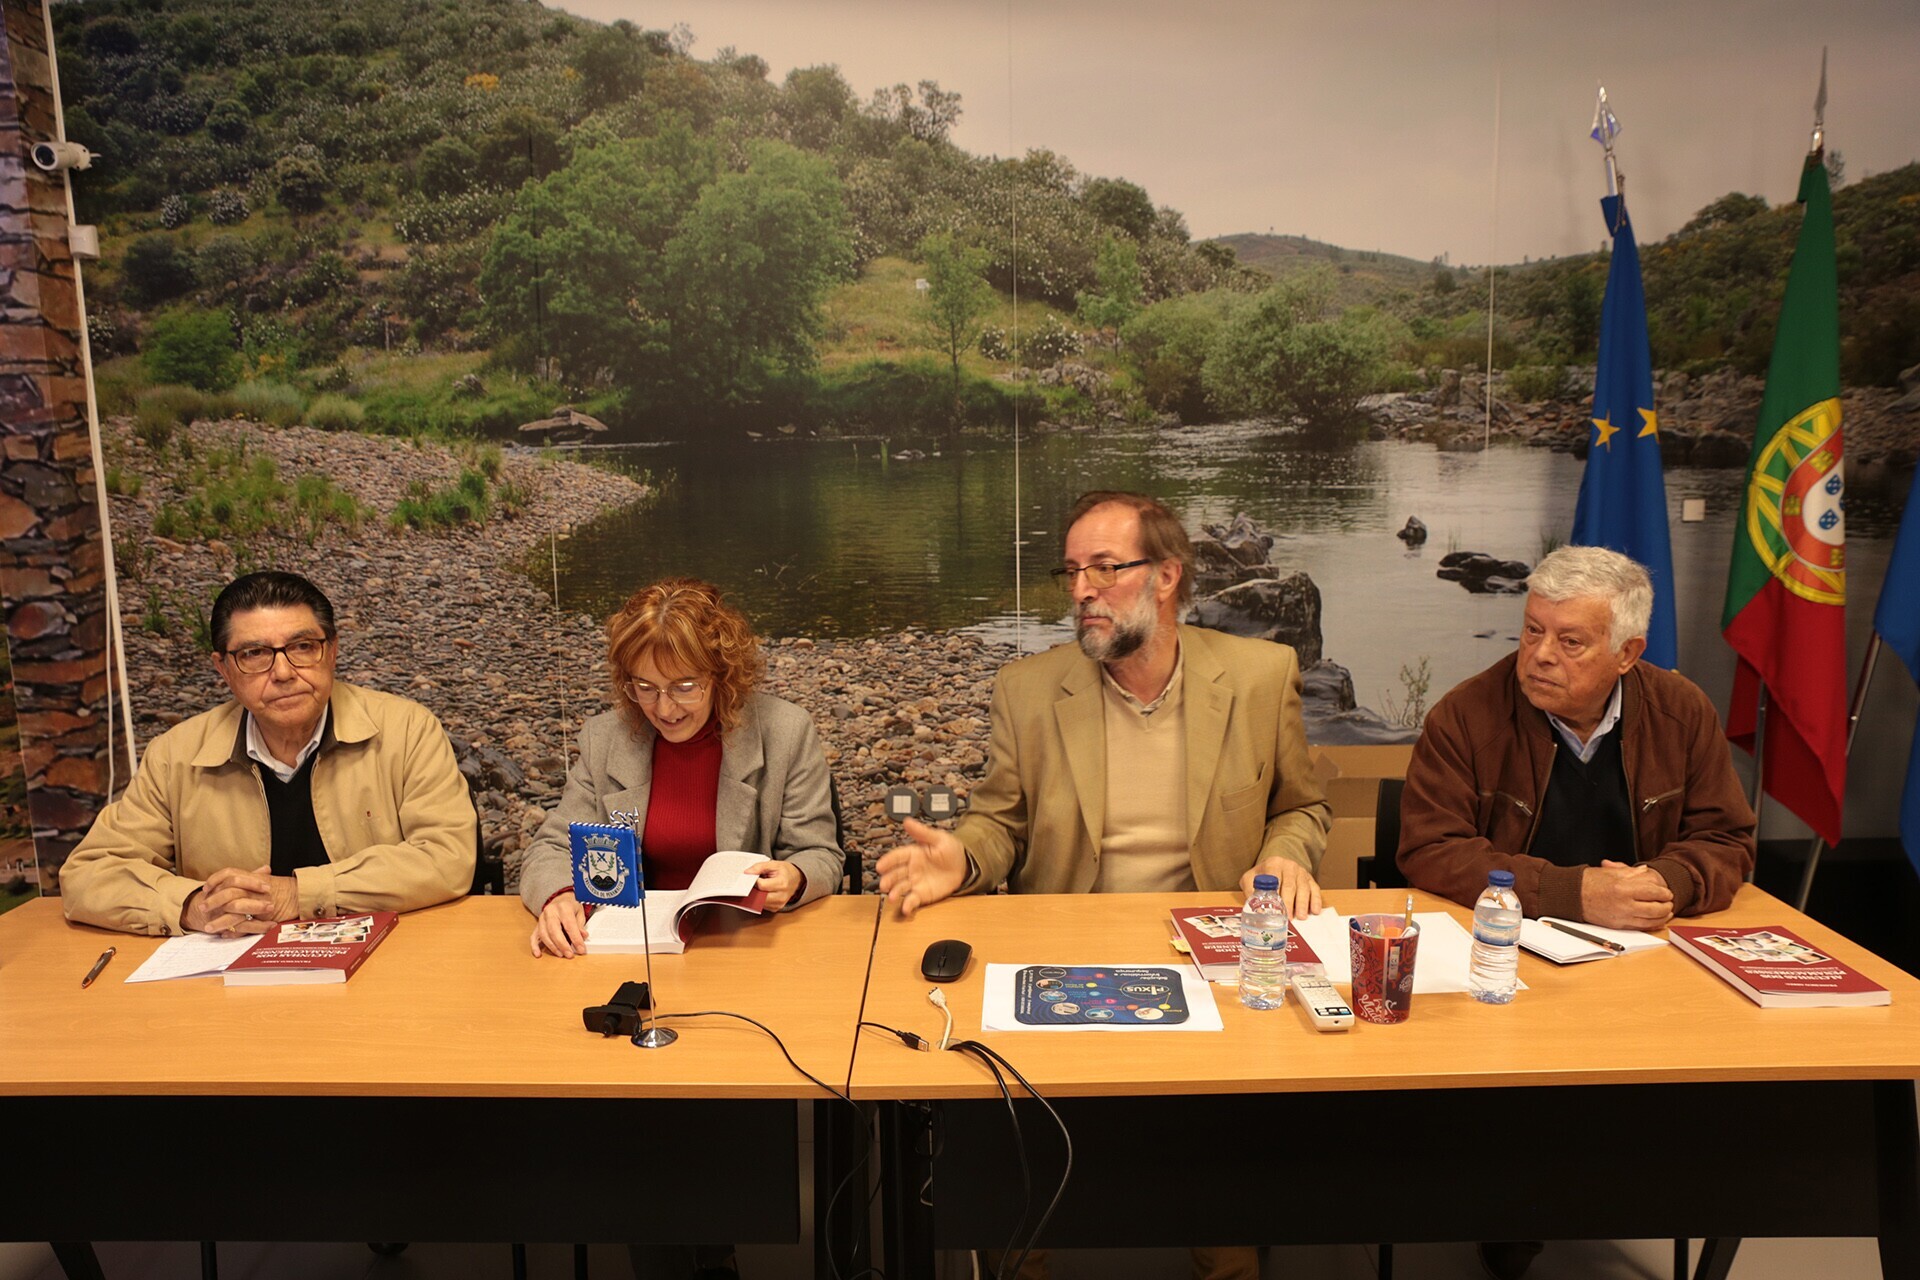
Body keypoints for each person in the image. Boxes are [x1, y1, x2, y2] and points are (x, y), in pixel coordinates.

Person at [878, 490, 1331, 1280]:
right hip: (1069, 956)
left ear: (1166, 577)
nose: (1081, 588)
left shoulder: (1261, 676)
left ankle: (1224, 1250)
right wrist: (965, 859)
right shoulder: (1029, 689)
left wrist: (1288, 852)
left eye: (1106, 569)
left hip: (1213, 963)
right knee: (1019, 1178)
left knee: (1223, 1191)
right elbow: (999, 825)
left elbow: (1302, 805)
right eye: (1073, 570)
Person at [60, 571, 476, 935]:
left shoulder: (406, 730)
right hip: (234, 982)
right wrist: (192, 907)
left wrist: (297, 895)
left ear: (331, 651)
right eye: (254, 654)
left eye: (302, 647)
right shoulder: (176, 755)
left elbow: (447, 857)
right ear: (223, 669)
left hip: (386, 963)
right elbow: (88, 875)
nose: (282, 673)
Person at [1398, 543, 1756, 930]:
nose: (1541, 654)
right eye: (1533, 630)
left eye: (1570, 642)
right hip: (1508, 941)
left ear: (1627, 654)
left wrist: (1664, 883)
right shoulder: (1466, 715)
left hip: (1646, 940)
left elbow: (1725, 838)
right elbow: (1432, 851)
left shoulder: (1682, 712)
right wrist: (1572, 894)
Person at [520, 577, 841, 959]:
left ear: (721, 675)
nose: (664, 709)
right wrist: (558, 895)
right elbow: (551, 847)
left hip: (745, 946)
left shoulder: (785, 731)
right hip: (629, 949)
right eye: (646, 687)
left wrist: (795, 877)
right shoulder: (604, 738)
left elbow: (821, 854)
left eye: (685, 687)